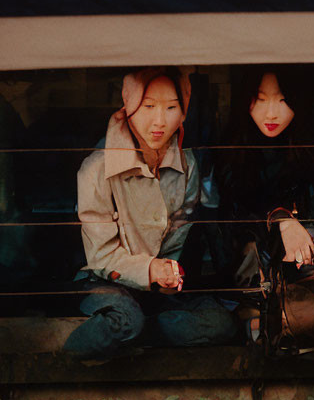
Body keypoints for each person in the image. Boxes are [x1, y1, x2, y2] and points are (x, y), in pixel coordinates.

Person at [63, 67, 237, 359]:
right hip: (105, 283)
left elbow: (180, 232)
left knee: (223, 322)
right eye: (148, 107)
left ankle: (136, 337)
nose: (159, 121)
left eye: (171, 108)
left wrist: (170, 274)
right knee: (126, 319)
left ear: (183, 112)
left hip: (157, 293)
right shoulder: (97, 168)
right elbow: (101, 256)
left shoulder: (187, 164)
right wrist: (149, 270)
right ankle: (71, 357)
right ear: (129, 107)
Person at [213, 66, 314, 346]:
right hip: (247, 294)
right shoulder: (232, 151)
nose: (271, 113)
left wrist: (301, 235)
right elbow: (227, 229)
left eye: (283, 100)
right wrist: (280, 220)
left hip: (304, 293)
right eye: (260, 99)